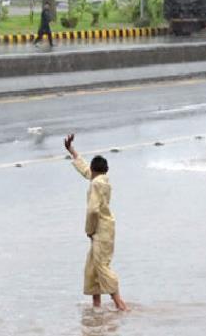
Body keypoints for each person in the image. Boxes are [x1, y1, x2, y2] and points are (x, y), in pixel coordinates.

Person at [64, 133, 129, 311]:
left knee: (101, 267)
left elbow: (93, 210)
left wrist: (89, 230)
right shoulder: (103, 180)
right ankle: (97, 308)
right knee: (92, 268)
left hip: (100, 230)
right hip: (107, 229)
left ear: (94, 170)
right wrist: (73, 151)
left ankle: (120, 305)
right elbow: (86, 171)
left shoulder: (95, 184)